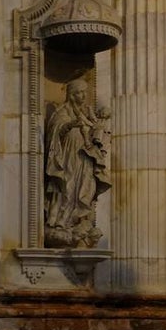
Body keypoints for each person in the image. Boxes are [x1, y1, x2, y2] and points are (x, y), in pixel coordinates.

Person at [43, 78, 112, 248]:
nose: (83, 96)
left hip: (85, 159)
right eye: (79, 93)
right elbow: (56, 130)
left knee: (86, 189)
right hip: (68, 159)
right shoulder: (63, 112)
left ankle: (79, 222)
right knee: (67, 189)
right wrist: (71, 125)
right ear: (72, 94)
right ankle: (61, 223)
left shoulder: (86, 113)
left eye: (84, 93)